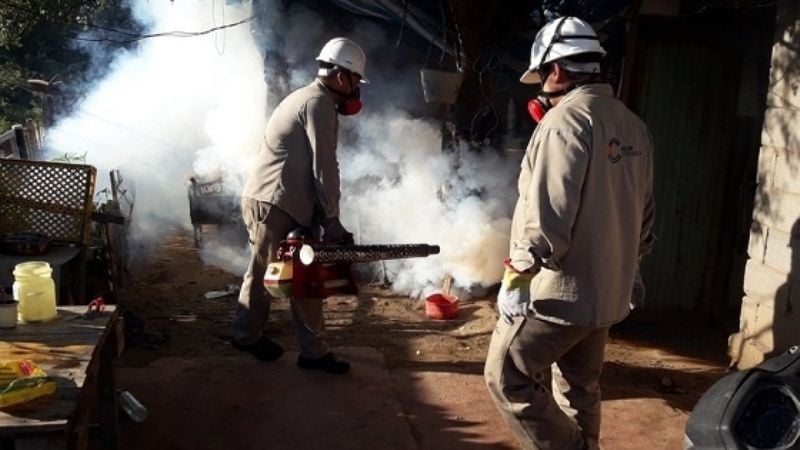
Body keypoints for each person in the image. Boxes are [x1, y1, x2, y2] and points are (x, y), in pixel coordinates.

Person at [484, 16, 655, 449]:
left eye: (542, 75)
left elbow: (546, 212)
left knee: (507, 377)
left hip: (561, 295)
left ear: (557, 70)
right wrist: (632, 268)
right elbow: (644, 212)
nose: (540, 88)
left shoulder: (564, 123)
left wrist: (518, 275)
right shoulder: (633, 125)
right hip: (609, 292)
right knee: (579, 387)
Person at [231, 37, 367, 375]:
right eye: (355, 81)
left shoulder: (310, 98)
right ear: (340, 76)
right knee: (263, 273)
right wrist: (332, 220)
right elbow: (325, 166)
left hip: (292, 203)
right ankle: (246, 335)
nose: (355, 90)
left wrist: (322, 217)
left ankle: (314, 352)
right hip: (272, 201)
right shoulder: (318, 103)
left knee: (305, 276)